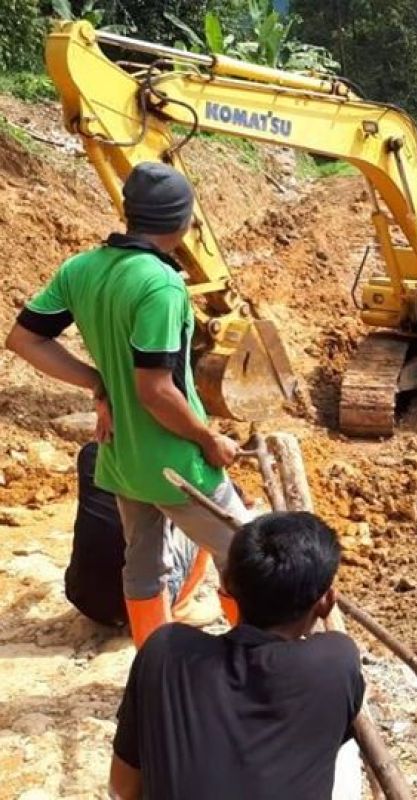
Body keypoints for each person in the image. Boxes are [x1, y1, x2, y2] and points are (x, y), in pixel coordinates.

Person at [6, 162, 248, 649]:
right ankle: (253, 663)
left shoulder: (81, 268)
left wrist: (98, 383)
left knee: (143, 560)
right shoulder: (160, 285)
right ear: (183, 222)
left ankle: (151, 667)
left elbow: (24, 338)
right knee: (244, 553)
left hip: (121, 457)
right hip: (176, 462)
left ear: (130, 213)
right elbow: (155, 390)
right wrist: (208, 438)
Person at [107, 512, 364, 800]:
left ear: (226, 584)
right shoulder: (335, 661)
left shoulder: (166, 651)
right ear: (327, 602)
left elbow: (123, 788)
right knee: (346, 749)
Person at [66, 442, 209, 628]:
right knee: (204, 515)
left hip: (84, 599)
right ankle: (182, 607)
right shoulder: (165, 458)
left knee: (96, 522)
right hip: (147, 603)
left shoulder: (91, 454)